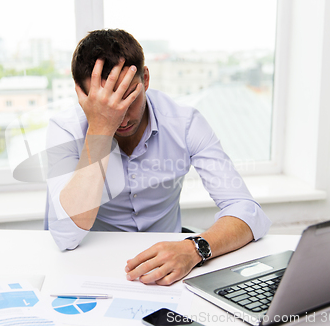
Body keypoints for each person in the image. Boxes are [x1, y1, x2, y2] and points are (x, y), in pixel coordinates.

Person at [45, 29, 271, 286]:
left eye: (129, 97)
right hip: (93, 267)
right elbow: (65, 236)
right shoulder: (65, 129)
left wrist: (194, 249)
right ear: (81, 94)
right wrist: (100, 130)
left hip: (171, 268)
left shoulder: (185, 123)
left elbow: (248, 212)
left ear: (146, 79)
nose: (122, 116)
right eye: (106, 102)